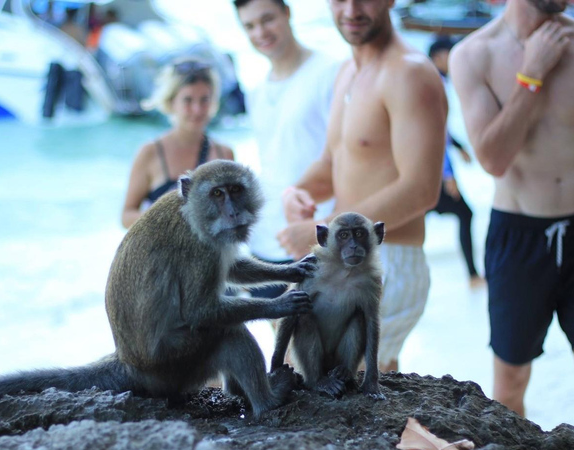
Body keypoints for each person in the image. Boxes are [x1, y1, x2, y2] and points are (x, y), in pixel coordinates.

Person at [450, 0, 574, 424]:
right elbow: (493, 159)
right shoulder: (473, 55)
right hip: (517, 239)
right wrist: (531, 75)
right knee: (510, 384)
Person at [277, 0, 447, 373]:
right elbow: (332, 162)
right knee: (365, 394)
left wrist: (318, 229)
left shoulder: (409, 72)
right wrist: (296, 192)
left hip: (387, 260)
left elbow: (422, 189)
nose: (351, 9)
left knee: (327, 384)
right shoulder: (347, 73)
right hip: (347, 257)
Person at [234, 0, 340, 299]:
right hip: (264, 242)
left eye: (267, 19)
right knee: (280, 344)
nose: (260, 32)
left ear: (287, 13)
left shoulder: (330, 72)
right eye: (249, 26)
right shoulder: (256, 90)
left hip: (314, 236)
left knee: (318, 343)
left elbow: (343, 159)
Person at [121, 59, 235, 229]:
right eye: (188, 100)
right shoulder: (150, 153)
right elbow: (126, 215)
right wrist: (166, 221)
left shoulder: (224, 154)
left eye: (204, 100)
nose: (197, 109)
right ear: (171, 101)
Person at [428, 36, 484, 286]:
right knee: (466, 213)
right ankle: (472, 275)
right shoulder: (434, 83)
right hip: (432, 173)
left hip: (423, 171)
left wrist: (459, 146)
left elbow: (441, 130)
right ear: (439, 57)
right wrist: (447, 175)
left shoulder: (432, 81)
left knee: (409, 222)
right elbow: (433, 133)